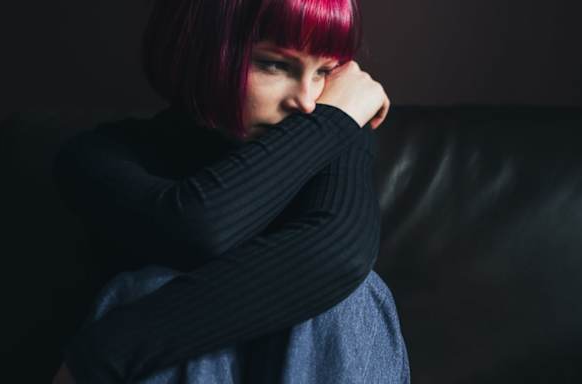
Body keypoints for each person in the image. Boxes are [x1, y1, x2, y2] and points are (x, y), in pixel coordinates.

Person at [49, 0, 408, 382]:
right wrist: (334, 120)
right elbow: (198, 229)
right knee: (148, 286)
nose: (306, 103)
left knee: (347, 297)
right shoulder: (100, 156)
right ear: (200, 53)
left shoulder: (335, 137)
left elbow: (339, 255)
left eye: (325, 72)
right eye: (275, 64)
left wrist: (103, 353)